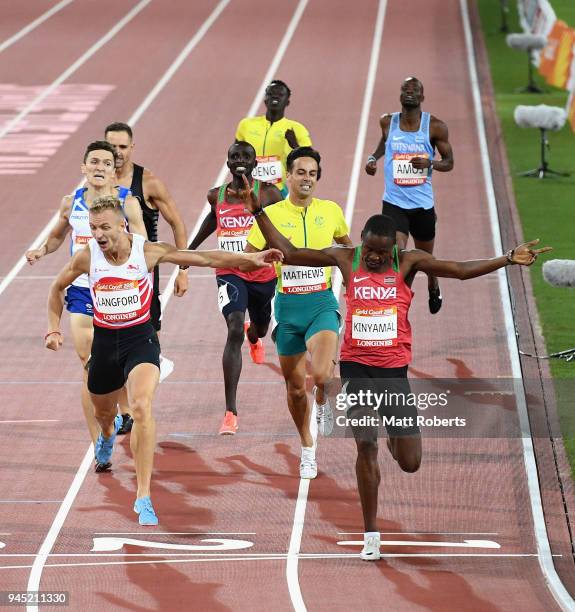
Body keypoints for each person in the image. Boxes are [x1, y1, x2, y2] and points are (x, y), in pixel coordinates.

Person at [238, 195, 550, 561]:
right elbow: (288, 250)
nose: (373, 257)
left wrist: (508, 258)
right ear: (362, 243)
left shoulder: (409, 263)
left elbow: (460, 270)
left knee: (410, 460)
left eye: (380, 253)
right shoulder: (345, 257)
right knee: (365, 446)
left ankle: (394, 441)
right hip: (356, 367)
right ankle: (371, 533)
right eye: (369, 249)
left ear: (395, 249)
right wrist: (258, 211)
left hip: (393, 371)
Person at [45, 195, 282, 525]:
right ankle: (106, 435)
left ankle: (143, 495)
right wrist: (53, 329)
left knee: (141, 407)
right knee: (104, 414)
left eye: (105, 227)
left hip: (140, 340)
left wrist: (250, 259)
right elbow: (56, 288)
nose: (99, 234)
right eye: (94, 228)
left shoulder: (147, 251)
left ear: (122, 225)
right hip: (106, 342)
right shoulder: (88, 257)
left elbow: (203, 257)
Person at [26, 141, 147, 460]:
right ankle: (101, 443)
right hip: (82, 291)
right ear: (84, 167)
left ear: (113, 169)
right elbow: (56, 235)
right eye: (93, 161)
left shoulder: (127, 202)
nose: (99, 167)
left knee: (118, 363)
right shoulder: (72, 203)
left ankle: (121, 408)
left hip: (120, 291)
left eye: (106, 163)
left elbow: (143, 242)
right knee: (90, 365)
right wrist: (41, 250)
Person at [245, 146, 352, 479]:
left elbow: (349, 250)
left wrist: (353, 284)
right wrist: (260, 266)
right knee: (293, 388)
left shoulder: (331, 211)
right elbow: (249, 256)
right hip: (287, 308)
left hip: (321, 302)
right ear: (288, 176)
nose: (307, 179)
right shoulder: (272, 215)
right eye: (301, 172)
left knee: (321, 375)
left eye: (313, 174)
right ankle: (307, 447)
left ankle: (322, 402)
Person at [187, 142, 283, 434]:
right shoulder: (216, 195)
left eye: (245, 157)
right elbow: (211, 220)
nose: (239, 161)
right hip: (229, 270)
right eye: (234, 157)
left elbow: (279, 228)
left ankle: (255, 337)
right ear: (227, 162)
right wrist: (189, 253)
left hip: (261, 272)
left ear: (255, 162)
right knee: (233, 328)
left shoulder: (268, 193)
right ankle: (230, 411)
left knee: (261, 326)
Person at [105, 121, 189, 391]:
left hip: (143, 271)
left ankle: (142, 393)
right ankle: (126, 405)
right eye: (111, 146)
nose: (116, 152)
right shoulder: (98, 183)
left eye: (122, 146)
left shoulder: (148, 182)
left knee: (147, 334)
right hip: (107, 270)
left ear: (132, 148)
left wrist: (183, 270)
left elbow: (177, 223)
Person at [365, 77, 454, 315]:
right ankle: (400, 304)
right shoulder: (387, 121)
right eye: (406, 88)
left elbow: (449, 163)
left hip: (422, 205)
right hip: (394, 203)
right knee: (400, 256)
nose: (410, 92)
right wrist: (373, 158)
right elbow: (385, 143)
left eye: (416, 90)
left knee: (426, 259)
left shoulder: (435, 126)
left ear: (423, 97)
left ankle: (433, 282)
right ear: (400, 94)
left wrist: (430, 163)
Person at [236, 80, 312, 197]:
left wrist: (294, 145)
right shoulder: (246, 125)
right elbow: (234, 155)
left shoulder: (297, 129)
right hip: (248, 188)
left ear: (287, 102)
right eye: (271, 94)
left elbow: (309, 162)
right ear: (265, 99)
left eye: (280, 94)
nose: (275, 96)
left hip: (277, 190)